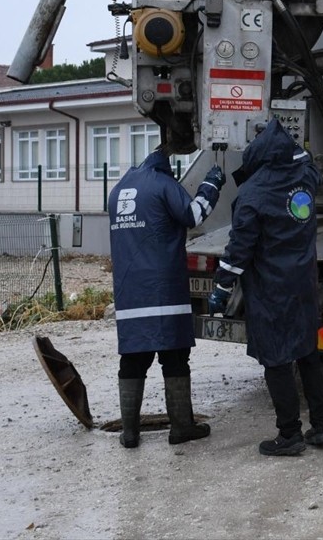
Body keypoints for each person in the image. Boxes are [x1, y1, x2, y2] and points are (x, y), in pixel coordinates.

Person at [208, 119, 323, 457]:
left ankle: (289, 434)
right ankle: (320, 426)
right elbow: (313, 170)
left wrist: (222, 286)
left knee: (276, 359)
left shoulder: (253, 193)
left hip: (271, 289)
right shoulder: (304, 178)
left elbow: (239, 248)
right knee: (307, 353)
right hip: (303, 283)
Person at [108, 144, 226, 449]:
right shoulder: (163, 184)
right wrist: (211, 185)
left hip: (129, 291)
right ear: (166, 167)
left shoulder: (119, 189)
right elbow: (194, 214)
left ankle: (130, 433)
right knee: (174, 358)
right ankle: (181, 428)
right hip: (163, 290)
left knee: (133, 359)